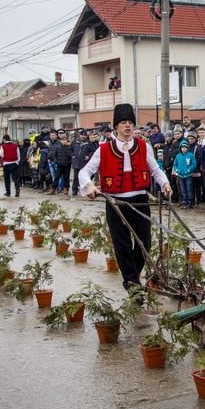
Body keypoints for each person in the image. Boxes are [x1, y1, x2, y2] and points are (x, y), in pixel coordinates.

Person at [79, 103, 172, 293]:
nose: (128, 126)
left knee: (144, 243)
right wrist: (88, 185)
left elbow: (155, 169)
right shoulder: (104, 149)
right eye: (123, 123)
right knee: (122, 245)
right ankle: (133, 286)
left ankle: (132, 278)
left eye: (130, 122)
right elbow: (84, 172)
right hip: (116, 203)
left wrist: (165, 183)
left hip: (139, 200)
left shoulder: (144, 146)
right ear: (116, 126)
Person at [172, 139, 197, 208]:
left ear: (187, 148)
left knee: (189, 188)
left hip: (188, 175)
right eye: (182, 147)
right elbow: (175, 164)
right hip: (180, 175)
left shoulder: (190, 155)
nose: (184, 149)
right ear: (180, 148)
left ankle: (190, 201)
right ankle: (184, 200)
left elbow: (194, 164)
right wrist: (177, 170)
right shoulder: (178, 156)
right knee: (182, 189)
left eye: (185, 147)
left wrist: (189, 170)